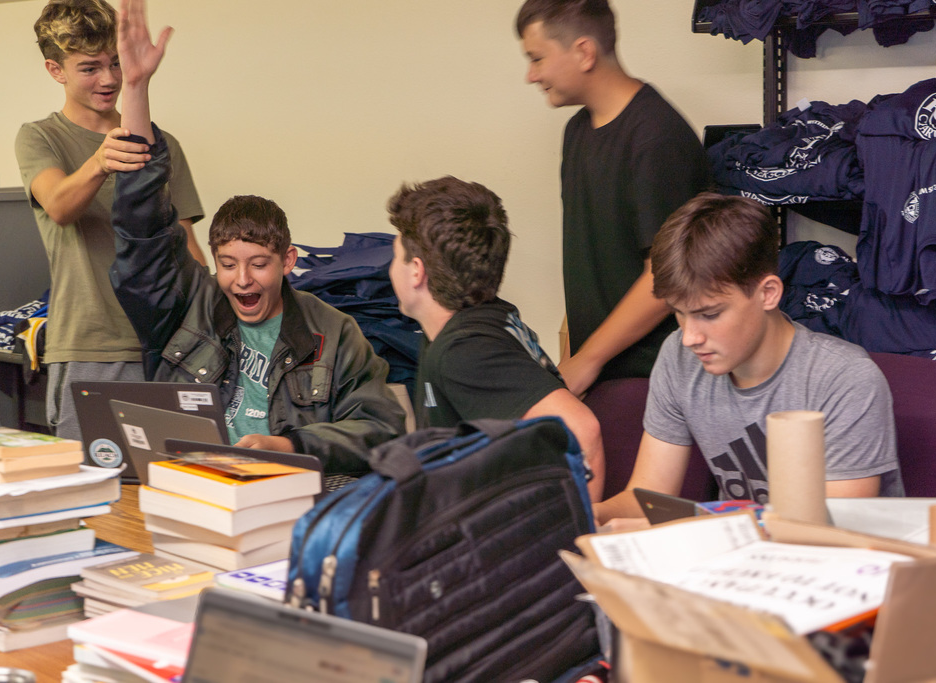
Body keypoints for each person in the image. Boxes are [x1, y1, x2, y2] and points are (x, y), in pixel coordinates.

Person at [108, 0, 405, 471]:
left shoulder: (332, 331)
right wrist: (136, 87)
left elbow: (381, 427)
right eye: (227, 264)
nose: (242, 280)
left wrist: (292, 445)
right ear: (212, 259)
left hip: (284, 492)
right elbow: (142, 229)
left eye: (259, 263)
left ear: (288, 261)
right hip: (191, 483)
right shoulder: (187, 307)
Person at [593, 193, 904, 525]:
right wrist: (585, 514)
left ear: (768, 293)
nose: (689, 337)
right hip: (738, 552)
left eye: (709, 314)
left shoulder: (845, 379)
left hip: (837, 563)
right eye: (679, 314)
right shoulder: (678, 357)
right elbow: (649, 498)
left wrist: (701, 528)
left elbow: (831, 531)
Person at [15, 0, 208, 442]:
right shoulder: (40, 137)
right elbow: (59, 205)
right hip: (90, 344)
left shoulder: (162, 144)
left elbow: (185, 244)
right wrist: (100, 161)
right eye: (89, 68)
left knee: (172, 487)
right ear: (55, 70)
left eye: (115, 64)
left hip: (166, 345)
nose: (108, 79)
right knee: (89, 495)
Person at [516, 0, 709, 398]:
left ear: (584, 52)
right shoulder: (577, 132)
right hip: (601, 373)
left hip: (656, 378)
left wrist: (587, 360)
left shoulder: (656, 136)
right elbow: (589, 265)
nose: (530, 76)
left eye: (537, 58)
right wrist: (570, 361)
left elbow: (665, 277)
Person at [387, 176, 605, 500]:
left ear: (416, 271)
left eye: (395, 255)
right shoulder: (480, 321)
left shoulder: (465, 350)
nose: (389, 268)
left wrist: (572, 534)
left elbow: (582, 431)